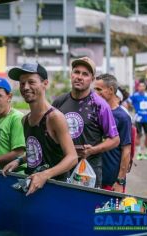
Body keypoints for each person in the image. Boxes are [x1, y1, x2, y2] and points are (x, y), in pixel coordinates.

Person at [2, 63, 77, 196]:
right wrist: (19, 161)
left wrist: (44, 175)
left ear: (45, 83)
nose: (25, 87)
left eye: (31, 82)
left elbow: (72, 157)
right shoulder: (25, 120)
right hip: (33, 189)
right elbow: (38, 152)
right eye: (22, 83)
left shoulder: (54, 117)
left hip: (57, 190)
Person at [52, 57, 119, 188]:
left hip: (88, 170)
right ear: (71, 75)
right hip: (62, 167)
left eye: (85, 74)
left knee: (87, 207)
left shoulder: (99, 105)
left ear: (92, 79)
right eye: (76, 72)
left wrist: (92, 150)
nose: (79, 77)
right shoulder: (59, 102)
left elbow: (115, 140)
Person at [94, 74, 131, 193]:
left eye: (99, 89)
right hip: (92, 177)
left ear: (111, 90)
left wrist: (120, 181)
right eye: (94, 89)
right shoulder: (94, 111)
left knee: (108, 211)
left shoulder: (123, 117)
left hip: (112, 181)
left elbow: (126, 151)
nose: (95, 93)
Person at [127, 81, 147, 160]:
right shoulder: (134, 96)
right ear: (138, 87)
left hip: (146, 118)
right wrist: (134, 108)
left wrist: (146, 108)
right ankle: (139, 153)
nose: (141, 88)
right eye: (140, 86)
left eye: (143, 86)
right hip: (138, 118)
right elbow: (128, 102)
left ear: (145, 87)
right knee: (139, 135)